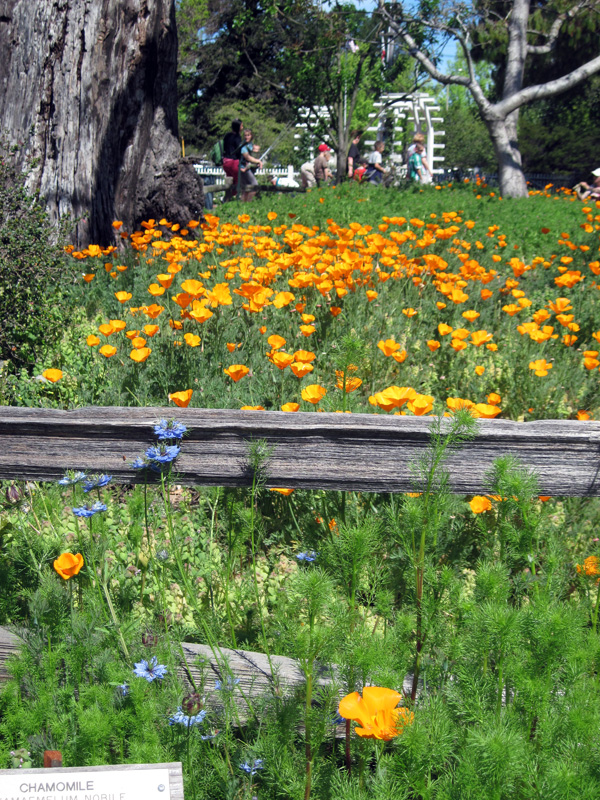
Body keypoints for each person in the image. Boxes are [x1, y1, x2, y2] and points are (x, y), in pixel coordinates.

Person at [239, 129, 263, 202]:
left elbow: (254, 156)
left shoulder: (251, 145)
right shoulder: (243, 146)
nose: (247, 137)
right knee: (254, 185)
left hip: (249, 169)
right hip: (243, 168)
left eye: (248, 135)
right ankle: (248, 203)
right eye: (245, 135)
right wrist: (258, 161)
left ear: (251, 136)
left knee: (246, 188)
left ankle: (244, 204)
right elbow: (247, 158)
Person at [222, 119, 243, 201]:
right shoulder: (237, 137)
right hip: (234, 162)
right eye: (241, 125)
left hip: (225, 161)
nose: (242, 127)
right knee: (238, 181)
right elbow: (239, 150)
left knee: (229, 180)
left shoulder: (227, 136)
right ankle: (234, 197)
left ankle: (227, 197)